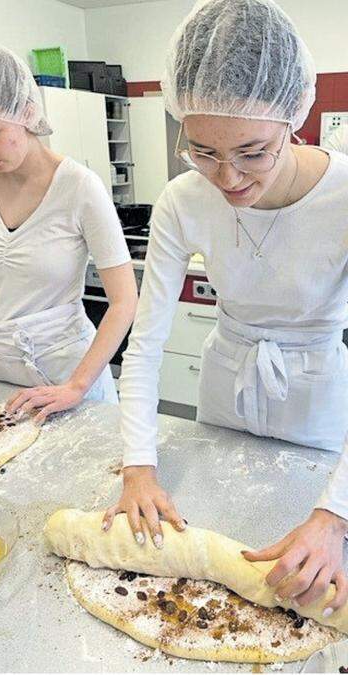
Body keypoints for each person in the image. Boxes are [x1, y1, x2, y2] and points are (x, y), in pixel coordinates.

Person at [108, 0, 348, 615]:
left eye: (252, 150)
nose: (228, 177)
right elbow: (146, 345)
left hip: (318, 401)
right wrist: (138, 466)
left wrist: (334, 514)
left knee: (306, 571)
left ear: (295, 115)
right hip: (227, 387)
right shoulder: (182, 199)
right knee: (207, 565)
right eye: (203, 150)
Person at [0, 41, 137, 420]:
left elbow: (125, 300)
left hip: (67, 378)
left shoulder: (80, 187)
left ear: (27, 113)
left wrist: (76, 387)